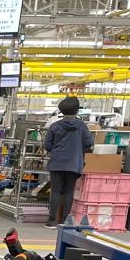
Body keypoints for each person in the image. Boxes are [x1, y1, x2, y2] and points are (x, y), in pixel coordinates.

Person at [43, 96, 93, 229]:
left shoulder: (55, 126)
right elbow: (89, 143)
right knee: (68, 191)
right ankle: (65, 220)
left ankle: (52, 220)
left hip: (56, 163)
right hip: (74, 163)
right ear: (77, 110)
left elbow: (47, 145)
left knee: (56, 191)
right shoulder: (82, 126)